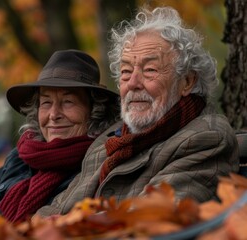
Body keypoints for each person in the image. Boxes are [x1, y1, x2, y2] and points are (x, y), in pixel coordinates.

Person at [35, 6, 239, 217]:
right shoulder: (110, 140)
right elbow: (54, 211)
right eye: (125, 71)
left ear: (186, 81)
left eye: (150, 70)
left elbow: (150, 218)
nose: (133, 83)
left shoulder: (205, 138)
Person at [0, 49, 119, 224]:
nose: (53, 114)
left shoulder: (99, 165)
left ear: (95, 111)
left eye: (68, 102)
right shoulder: (20, 159)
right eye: (46, 102)